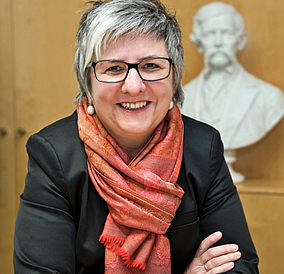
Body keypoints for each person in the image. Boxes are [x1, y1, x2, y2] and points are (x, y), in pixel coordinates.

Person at [13, 0, 258, 273]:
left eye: (151, 66)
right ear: (87, 83)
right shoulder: (54, 155)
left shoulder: (203, 146)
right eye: (114, 68)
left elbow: (240, 265)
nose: (133, 86)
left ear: (174, 77)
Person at [182, 2, 284, 182]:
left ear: (240, 41)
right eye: (209, 34)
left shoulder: (270, 99)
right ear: (198, 43)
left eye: (225, 33)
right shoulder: (182, 99)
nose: (217, 42)